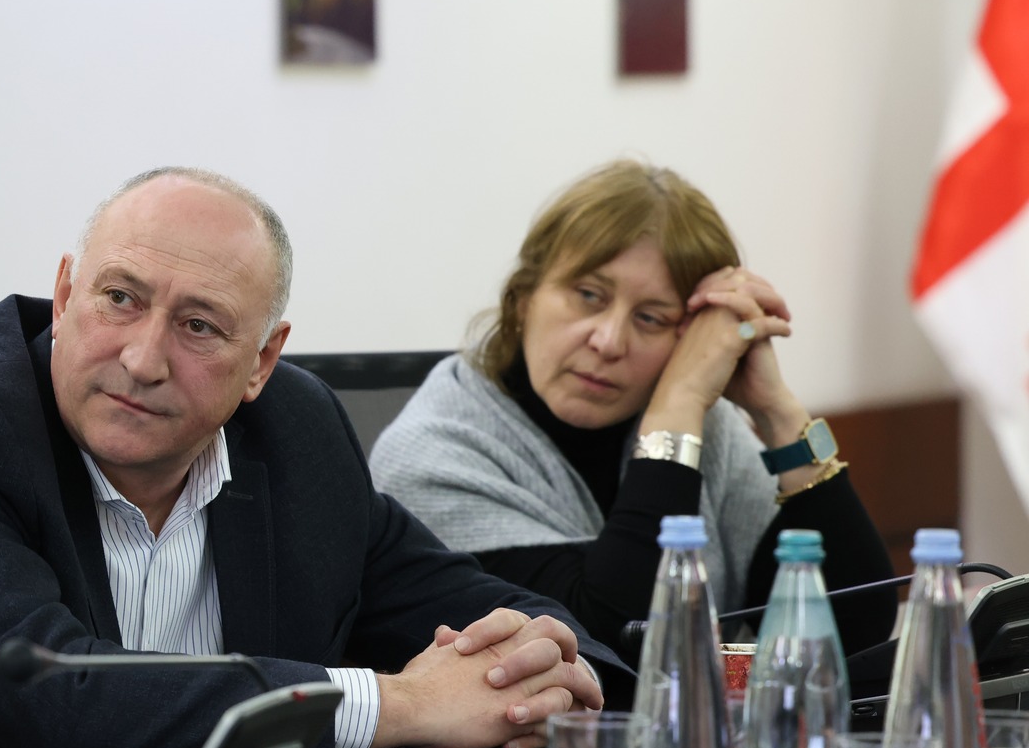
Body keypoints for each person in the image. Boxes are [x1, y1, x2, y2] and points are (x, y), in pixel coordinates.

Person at [0, 167, 631, 748]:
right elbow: (58, 694)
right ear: (65, 294)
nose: (143, 359)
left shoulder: (296, 433)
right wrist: (403, 704)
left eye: (199, 326)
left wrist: (553, 674)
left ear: (261, 362)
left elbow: (464, 598)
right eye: (120, 299)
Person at [370, 160, 896, 662]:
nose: (608, 340)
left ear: (687, 340)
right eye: (588, 295)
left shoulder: (701, 426)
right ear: (524, 298)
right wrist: (677, 409)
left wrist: (776, 411)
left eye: (650, 318)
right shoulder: (432, 454)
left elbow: (854, 630)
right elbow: (612, 652)